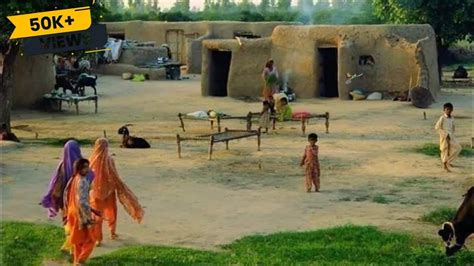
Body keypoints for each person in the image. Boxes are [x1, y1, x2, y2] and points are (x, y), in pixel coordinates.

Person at [89, 138, 144, 246]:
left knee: (96, 215)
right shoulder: (109, 160)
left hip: (95, 192)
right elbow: (114, 176)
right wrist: (120, 187)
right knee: (111, 212)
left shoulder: (91, 161)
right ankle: (112, 232)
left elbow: (88, 178)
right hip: (109, 191)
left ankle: (98, 239)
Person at [41, 140, 94, 218]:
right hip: (79, 197)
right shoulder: (81, 164)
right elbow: (91, 175)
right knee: (79, 218)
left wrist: (50, 194)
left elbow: (55, 180)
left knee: (68, 219)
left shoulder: (62, 165)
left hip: (64, 197)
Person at [63, 158, 97, 265]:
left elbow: (66, 195)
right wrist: (88, 217)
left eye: (88, 166)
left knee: (78, 241)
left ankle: (75, 262)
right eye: (85, 167)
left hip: (72, 212)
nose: (87, 169)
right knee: (91, 239)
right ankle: (81, 260)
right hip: (80, 214)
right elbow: (82, 201)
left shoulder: (74, 178)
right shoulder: (82, 181)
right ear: (79, 168)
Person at [435, 103, 462, 172]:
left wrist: (451, 135)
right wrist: (445, 135)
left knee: (458, 148)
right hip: (444, 137)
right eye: (447, 109)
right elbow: (437, 127)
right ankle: (444, 165)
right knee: (445, 150)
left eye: (450, 109)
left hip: (451, 136)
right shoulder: (442, 118)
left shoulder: (452, 118)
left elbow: (453, 127)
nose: (448, 111)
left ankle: (448, 161)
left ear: (452, 110)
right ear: (444, 110)